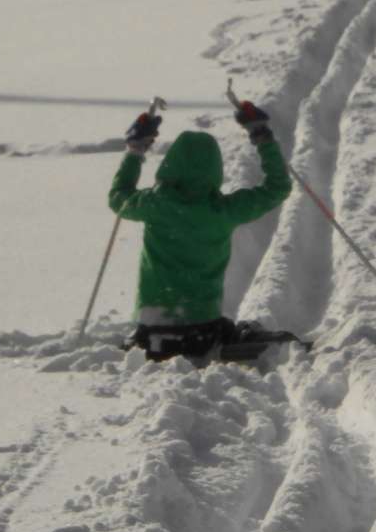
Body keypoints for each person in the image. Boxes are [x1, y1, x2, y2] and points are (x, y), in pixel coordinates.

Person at [109, 99, 295, 361]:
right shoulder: (223, 211)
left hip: (153, 328)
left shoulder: (154, 204)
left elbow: (118, 197)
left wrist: (135, 151)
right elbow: (277, 188)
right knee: (231, 329)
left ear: (171, 164)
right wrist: (262, 137)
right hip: (204, 326)